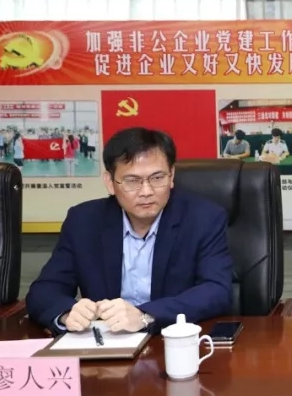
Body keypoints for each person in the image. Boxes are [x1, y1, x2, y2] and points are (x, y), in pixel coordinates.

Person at [26, 127, 233, 334]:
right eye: (132, 181)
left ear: (171, 176)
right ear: (110, 182)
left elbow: (217, 291)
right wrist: (67, 313)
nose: (146, 191)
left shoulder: (203, 218)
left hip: (172, 340)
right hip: (106, 341)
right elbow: (43, 291)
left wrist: (145, 316)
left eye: (157, 178)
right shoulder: (84, 221)